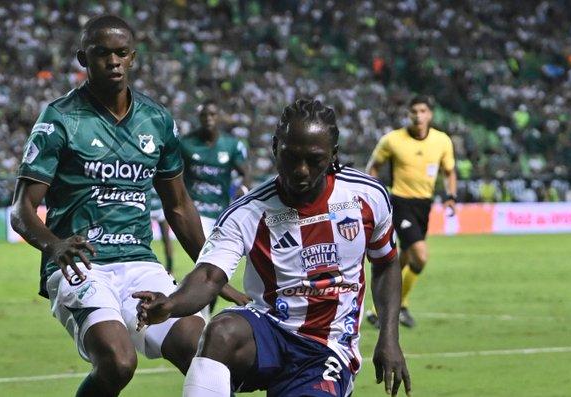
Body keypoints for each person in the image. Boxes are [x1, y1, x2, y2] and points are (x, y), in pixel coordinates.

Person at [9, 15, 247, 397]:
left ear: (133, 58)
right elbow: (21, 210)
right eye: (102, 53)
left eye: (121, 53)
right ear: (83, 58)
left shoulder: (156, 121)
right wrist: (54, 246)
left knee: (207, 351)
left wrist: (213, 274)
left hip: (139, 264)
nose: (113, 61)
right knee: (119, 362)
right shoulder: (59, 120)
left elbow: (180, 207)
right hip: (81, 265)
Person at [134, 99, 411, 397]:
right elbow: (208, 277)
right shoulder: (248, 212)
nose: (301, 170)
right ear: (275, 147)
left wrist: (389, 337)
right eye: (291, 157)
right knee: (221, 331)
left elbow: (385, 262)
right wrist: (171, 304)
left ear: (333, 156)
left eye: (314, 159)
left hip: (326, 347)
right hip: (267, 331)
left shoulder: (367, 197)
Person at [365, 95, 456, 328]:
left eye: (423, 111)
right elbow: (373, 166)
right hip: (401, 202)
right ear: (408, 114)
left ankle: (379, 310)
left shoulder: (442, 141)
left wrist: (451, 196)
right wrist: (375, 195)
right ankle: (398, 306)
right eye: (414, 111)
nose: (418, 115)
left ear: (430, 114)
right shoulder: (392, 140)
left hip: (424, 205)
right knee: (420, 256)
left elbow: (449, 171)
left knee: (403, 259)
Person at [180, 99, 249, 313]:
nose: (208, 119)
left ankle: (205, 310)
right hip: (194, 212)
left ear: (218, 117)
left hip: (218, 214)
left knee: (210, 268)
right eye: (204, 115)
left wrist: (243, 186)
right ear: (199, 118)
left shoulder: (232, 145)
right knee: (203, 266)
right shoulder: (186, 143)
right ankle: (200, 310)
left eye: (212, 115)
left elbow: (244, 171)